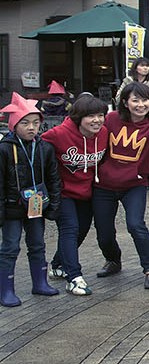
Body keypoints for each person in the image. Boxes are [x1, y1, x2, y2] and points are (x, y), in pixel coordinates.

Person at [95, 82, 149, 287]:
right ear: (125, 102)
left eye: (145, 100)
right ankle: (113, 260)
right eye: (135, 100)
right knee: (103, 231)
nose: (141, 105)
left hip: (134, 185)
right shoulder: (111, 119)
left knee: (135, 224)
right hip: (104, 185)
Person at [42, 94, 108, 295]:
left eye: (100, 115)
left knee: (82, 230)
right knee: (69, 229)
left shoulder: (104, 133)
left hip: (87, 191)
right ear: (79, 117)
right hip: (64, 192)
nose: (96, 120)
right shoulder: (59, 134)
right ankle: (74, 277)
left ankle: (57, 264)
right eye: (91, 116)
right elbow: (38, 146)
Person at [0, 92, 62, 307]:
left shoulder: (44, 147)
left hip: (36, 208)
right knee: (9, 248)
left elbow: (54, 179)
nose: (31, 127)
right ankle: (6, 290)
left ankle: (40, 283)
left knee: (37, 245)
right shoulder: (4, 149)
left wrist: (54, 204)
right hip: (11, 209)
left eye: (36, 123)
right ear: (14, 124)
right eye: (25, 123)